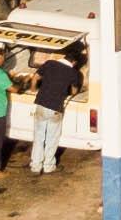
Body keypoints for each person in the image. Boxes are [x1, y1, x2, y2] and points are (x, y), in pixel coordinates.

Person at [28, 48, 82, 176]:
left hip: (41, 104)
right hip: (55, 108)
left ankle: (35, 166)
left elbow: (35, 77)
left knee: (39, 137)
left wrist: (33, 89)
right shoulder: (73, 72)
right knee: (52, 138)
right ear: (74, 62)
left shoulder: (50, 63)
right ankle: (48, 166)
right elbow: (74, 91)